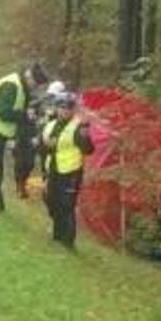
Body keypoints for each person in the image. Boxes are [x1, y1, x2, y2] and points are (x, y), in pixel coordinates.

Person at [0, 62, 50, 211]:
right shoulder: (12, 85)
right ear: (30, 77)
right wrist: (24, 115)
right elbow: (3, 112)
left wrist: (30, 115)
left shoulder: (21, 87)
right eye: (35, 84)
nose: (35, 88)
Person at [39, 91, 96, 249]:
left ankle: (68, 242)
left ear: (73, 110)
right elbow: (42, 148)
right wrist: (46, 146)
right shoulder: (50, 125)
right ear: (57, 108)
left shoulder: (78, 127)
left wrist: (85, 136)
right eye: (62, 107)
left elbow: (89, 150)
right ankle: (57, 235)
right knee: (51, 200)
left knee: (67, 205)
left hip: (71, 172)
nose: (64, 111)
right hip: (53, 169)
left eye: (68, 108)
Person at [14, 80, 67, 199]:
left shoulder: (65, 107)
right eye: (51, 96)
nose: (52, 99)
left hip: (53, 141)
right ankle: (20, 185)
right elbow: (31, 118)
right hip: (36, 138)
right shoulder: (41, 103)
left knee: (49, 167)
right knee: (27, 163)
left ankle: (48, 193)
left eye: (54, 96)